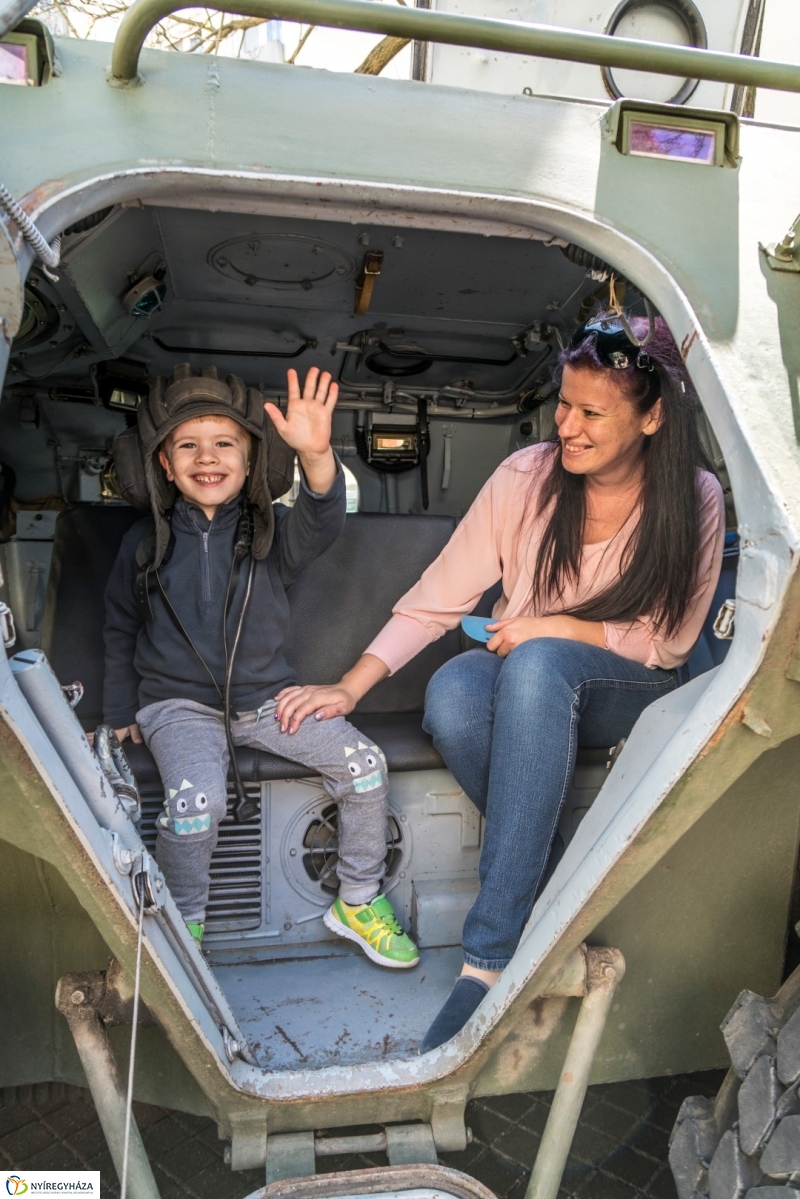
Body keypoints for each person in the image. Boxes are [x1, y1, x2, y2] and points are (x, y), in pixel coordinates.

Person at [273, 313, 726, 1050]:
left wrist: (554, 628)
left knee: (539, 664)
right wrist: (349, 687)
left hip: (634, 690)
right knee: (454, 687)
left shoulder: (694, 498)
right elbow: (437, 597)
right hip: (530, 677)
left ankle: (488, 959)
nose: (566, 427)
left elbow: (668, 641)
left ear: (651, 417)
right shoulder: (528, 478)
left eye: (591, 413)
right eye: (563, 404)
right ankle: (557, 868)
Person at [102, 363, 419, 969]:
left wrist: (317, 454)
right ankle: (181, 925)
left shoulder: (270, 537)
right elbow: (120, 629)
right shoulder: (142, 545)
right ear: (165, 465)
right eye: (188, 446)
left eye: (225, 444)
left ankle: (356, 899)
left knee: (364, 765)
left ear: (250, 464)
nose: (207, 457)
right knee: (196, 809)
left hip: (268, 701)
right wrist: (121, 711)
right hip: (178, 708)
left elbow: (324, 518)